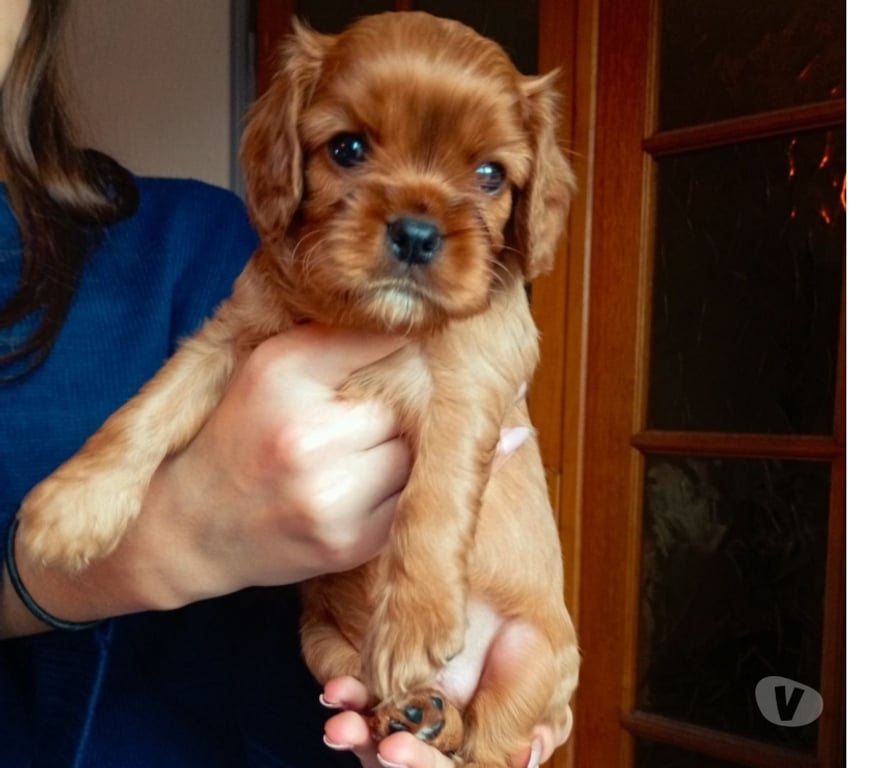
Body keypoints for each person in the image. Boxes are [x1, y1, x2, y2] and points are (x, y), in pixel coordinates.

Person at [0, 2, 570, 767]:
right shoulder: (266, 269)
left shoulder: (191, 231)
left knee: (517, 694)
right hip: (327, 656)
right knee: (324, 645)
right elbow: (214, 353)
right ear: (285, 157)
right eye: (350, 149)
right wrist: (116, 514)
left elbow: (465, 411)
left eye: (489, 175)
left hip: (493, 635)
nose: (417, 227)